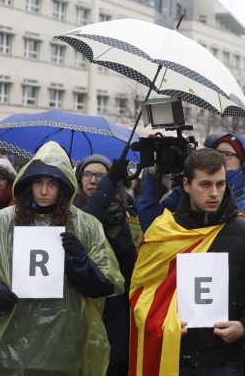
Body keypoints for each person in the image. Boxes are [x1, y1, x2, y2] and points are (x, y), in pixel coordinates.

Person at [0, 142, 124, 375]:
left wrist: (80, 260)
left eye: (52, 184)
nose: (43, 191)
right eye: (38, 183)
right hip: (8, 338)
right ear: (27, 184)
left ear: (63, 187)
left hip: (65, 342)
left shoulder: (86, 225)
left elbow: (106, 283)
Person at [130, 148, 245, 375]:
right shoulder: (163, 232)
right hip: (175, 353)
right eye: (205, 185)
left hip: (226, 359)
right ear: (187, 184)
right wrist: (163, 323)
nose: (214, 193)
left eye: (220, 184)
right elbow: (142, 293)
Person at [74, 154, 136, 376]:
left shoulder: (123, 212)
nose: (93, 180)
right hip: (82, 307)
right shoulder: (70, 212)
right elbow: (87, 225)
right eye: (88, 174)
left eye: (101, 176)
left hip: (115, 308)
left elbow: (129, 265)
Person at [136, 132, 245, 232]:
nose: (220, 158)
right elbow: (152, 228)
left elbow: (229, 246)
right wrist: (153, 179)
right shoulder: (185, 194)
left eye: (228, 154)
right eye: (217, 152)